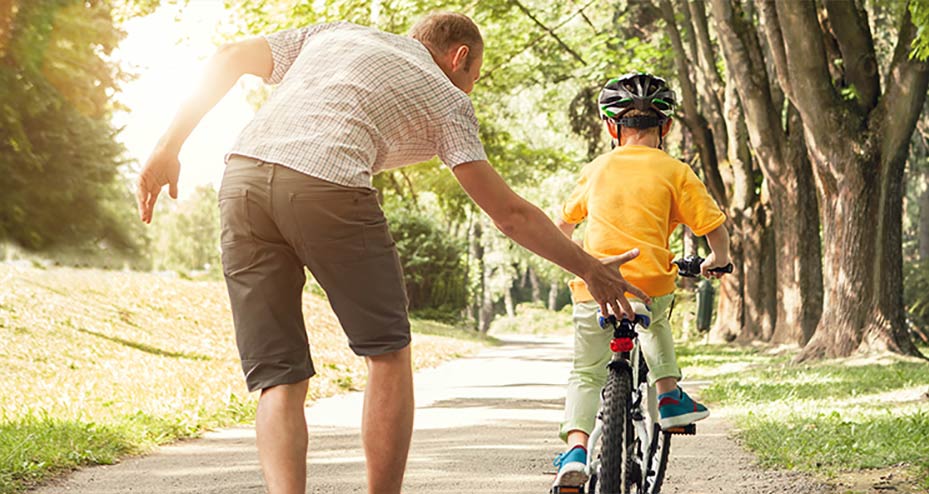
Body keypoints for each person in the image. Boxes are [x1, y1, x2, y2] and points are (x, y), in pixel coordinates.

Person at [136, 12, 651, 494]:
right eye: (476, 75)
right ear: (459, 56)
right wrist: (588, 267)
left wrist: (167, 146)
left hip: (241, 180)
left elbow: (228, 56)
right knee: (387, 354)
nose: (472, 87)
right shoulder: (448, 98)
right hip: (328, 185)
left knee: (279, 376)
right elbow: (508, 214)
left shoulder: (333, 33)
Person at [550, 73, 732, 488]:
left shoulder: (596, 169)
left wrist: (574, 265)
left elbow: (563, 225)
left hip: (594, 285)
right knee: (658, 320)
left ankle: (576, 449)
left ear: (612, 128)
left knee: (585, 371)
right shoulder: (675, 170)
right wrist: (717, 260)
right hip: (649, 282)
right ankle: (668, 396)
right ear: (665, 127)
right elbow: (713, 227)